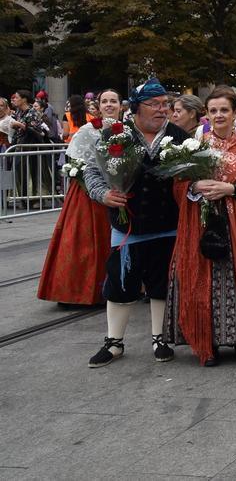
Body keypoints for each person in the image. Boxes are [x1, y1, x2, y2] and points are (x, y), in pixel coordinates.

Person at [83, 77, 190, 367]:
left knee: (161, 283)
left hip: (168, 224)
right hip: (127, 225)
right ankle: (114, 342)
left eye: (165, 104)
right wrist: (103, 193)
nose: (161, 110)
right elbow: (91, 170)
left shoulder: (180, 136)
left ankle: (160, 338)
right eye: (154, 105)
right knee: (119, 283)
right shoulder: (116, 134)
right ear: (135, 108)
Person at [165, 87, 236, 366]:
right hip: (201, 223)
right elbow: (177, 185)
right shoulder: (195, 147)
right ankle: (207, 343)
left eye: (224, 110)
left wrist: (231, 188)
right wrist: (194, 186)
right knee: (203, 282)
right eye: (213, 110)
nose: (219, 115)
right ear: (206, 114)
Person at [38, 89, 121, 307]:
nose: (109, 105)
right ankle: (78, 291)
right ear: (98, 106)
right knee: (83, 241)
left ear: (121, 105)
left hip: (118, 191)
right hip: (87, 193)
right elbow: (75, 159)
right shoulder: (88, 130)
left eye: (114, 101)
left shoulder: (127, 130)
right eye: (105, 101)